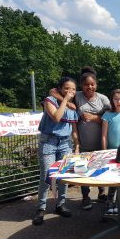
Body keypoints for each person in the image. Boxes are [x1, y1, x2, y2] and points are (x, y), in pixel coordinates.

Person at [32, 77, 79, 226]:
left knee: (63, 174)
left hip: (65, 143)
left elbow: (73, 127)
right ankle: (41, 208)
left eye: (72, 89)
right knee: (47, 175)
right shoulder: (50, 100)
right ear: (59, 88)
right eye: (66, 88)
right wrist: (64, 99)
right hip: (49, 142)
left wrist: (77, 145)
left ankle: (60, 204)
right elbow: (57, 117)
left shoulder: (72, 106)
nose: (70, 91)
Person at [75, 67, 111, 210]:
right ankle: (85, 196)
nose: (90, 87)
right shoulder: (77, 96)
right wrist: (71, 105)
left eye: (92, 84)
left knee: (100, 169)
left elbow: (111, 118)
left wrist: (95, 118)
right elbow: (54, 92)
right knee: (82, 171)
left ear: (96, 84)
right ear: (81, 85)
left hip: (100, 142)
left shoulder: (103, 99)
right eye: (86, 84)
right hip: (84, 142)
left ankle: (102, 192)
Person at [101, 89, 120, 215]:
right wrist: (104, 151)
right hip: (112, 151)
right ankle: (110, 201)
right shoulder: (107, 115)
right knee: (113, 178)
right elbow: (104, 135)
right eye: (116, 99)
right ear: (112, 100)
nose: (119, 102)